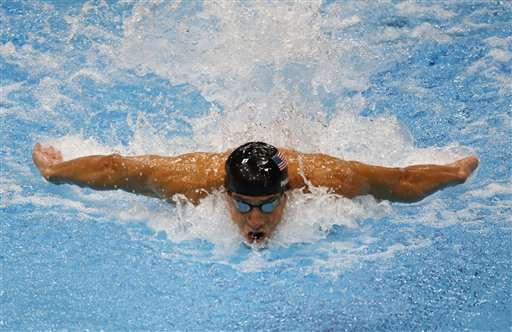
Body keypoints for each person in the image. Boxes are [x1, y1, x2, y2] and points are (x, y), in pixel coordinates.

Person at [32, 141, 479, 244]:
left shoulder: (325, 180)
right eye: (243, 205)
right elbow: (115, 168)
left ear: (288, 195)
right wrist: (55, 171)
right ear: (225, 194)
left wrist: (453, 172)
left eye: (268, 205)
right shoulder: (189, 181)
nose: (256, 221)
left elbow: (399, 182)